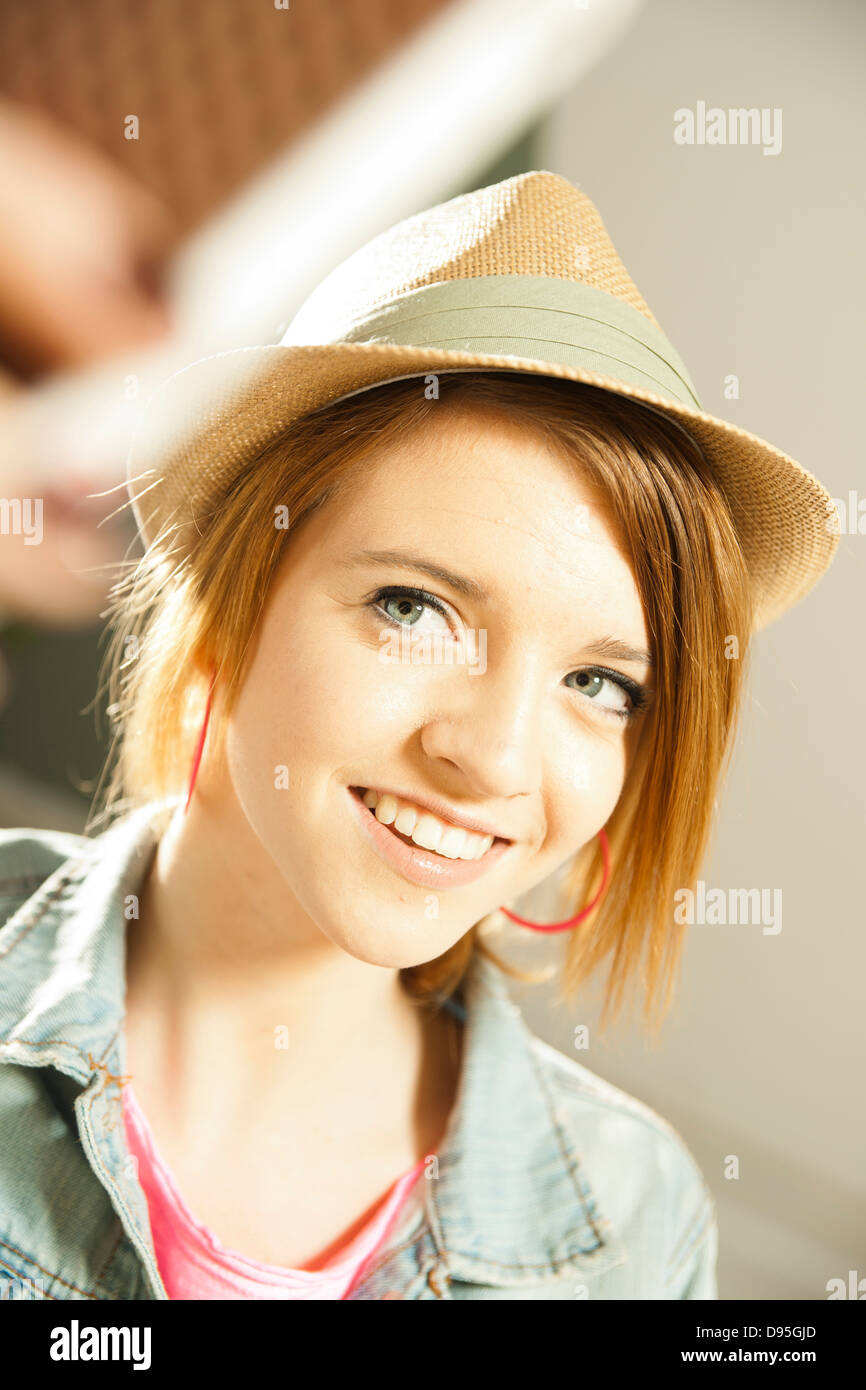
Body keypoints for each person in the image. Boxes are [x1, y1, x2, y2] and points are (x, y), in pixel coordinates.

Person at [0, 171, 837, 1301]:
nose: (492, 758)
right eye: (413, 608)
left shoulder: (633, 1227)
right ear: (230, 593)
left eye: (599, 681)